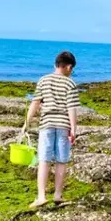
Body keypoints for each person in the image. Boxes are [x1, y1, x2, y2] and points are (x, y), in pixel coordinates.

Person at [23, 51, 80, 209]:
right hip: (63, 126)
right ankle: (57, 195)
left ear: (56, 64)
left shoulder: (43, 80)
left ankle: (41, 196)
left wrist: (27, 123)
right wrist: (73, 129)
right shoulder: (70, 83)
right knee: (61, 161)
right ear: (68, 67)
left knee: (44, 160)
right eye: (72, 69)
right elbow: (71, 108)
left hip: (46, 125)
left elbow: (35, 103)